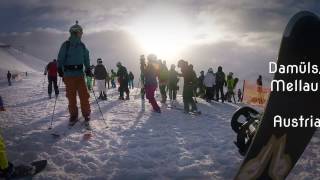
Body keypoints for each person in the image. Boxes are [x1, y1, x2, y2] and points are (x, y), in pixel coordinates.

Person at [57, 21, 91, 126]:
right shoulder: (66, 45)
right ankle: (74, 115)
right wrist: (59, 68)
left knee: (84, 95)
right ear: (76, 32)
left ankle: (86, 114)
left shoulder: (82, 46)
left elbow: (86, 57)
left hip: (80, 74)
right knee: (71, 97)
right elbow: (61, 57)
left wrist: (88, 68)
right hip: (69, 75)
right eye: (81, 32)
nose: (82, 35)